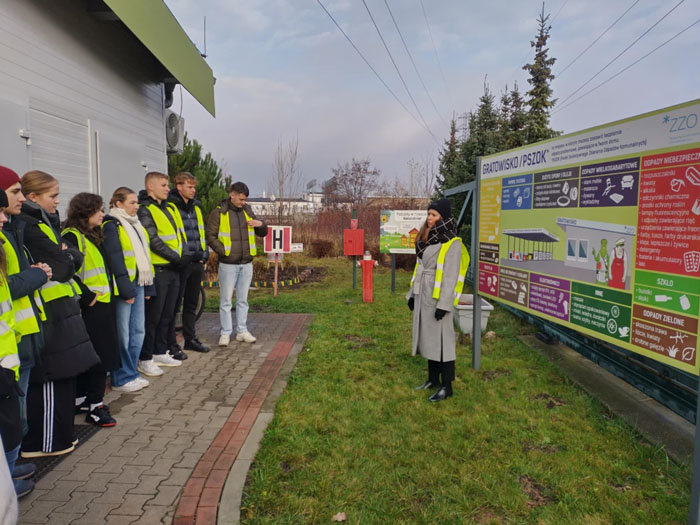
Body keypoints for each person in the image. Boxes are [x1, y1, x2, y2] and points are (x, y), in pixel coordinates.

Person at [17, 170, 99, 457]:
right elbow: (64, 265)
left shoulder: (42, 222)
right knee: (52, 377)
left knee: (64, 375)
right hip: (49, 314)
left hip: (60, 311)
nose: (57, 201)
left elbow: (71, 257)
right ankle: (46, 443)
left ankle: (55, 437)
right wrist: (67, 255)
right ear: (33, 197)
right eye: (53, 196)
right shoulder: (29, 226)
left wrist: (68, 254)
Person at [0, 167, 51, 494]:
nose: (20, 198)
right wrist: (38, 275)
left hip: (17, 340)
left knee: (13, 420)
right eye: (15, 191)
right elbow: (12, 284)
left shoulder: (12, 230)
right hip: (8, 348)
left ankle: (11, 467)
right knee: (9, 419)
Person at [62, 193, 120, 427]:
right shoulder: (71, 236)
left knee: (99, 355)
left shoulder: (93, 235)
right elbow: (66, 271)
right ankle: (95, 407)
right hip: (89, 307)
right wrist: (88, 298)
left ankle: (85, 400)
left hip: (103, 304)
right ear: (85, 212)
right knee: (99, 357)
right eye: (98, 210)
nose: (102, 214)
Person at [407, 198, 469, 403]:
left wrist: (444, 304)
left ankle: (447, 385)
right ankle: (432, 379)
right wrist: (411, 295)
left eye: (433, 215)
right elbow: (420, 268)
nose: (429, 218)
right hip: (423, 294)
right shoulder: (427, 237)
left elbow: (451, 276)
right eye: (428, 214)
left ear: (443, 216)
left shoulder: (452, 241)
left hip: (439, 299)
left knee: (444, 342)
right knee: (429, 338)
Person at [0, 186, 35, 500]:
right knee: (9, 431)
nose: (2, 219)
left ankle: (7, 480)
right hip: (3, 362)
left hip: (6, 357)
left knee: (10, 430)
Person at [137, 172, 190, 375]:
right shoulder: (145, 210)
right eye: (164, 185)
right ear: (150, 187)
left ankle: (160, 351)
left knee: (168, 315)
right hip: (159, 269)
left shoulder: (169, 207)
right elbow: (153, 239)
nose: (168, 189)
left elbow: (179, 235)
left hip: (174, 269)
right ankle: (146, 357)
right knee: (154, 316)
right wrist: (176, 258)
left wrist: (184, 256)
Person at [102, 187, 154, 392]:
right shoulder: (112, 225)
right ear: (118, 204)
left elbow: (144, 257)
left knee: (137, 331)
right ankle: (121, 377)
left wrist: (148, 287)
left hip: (138, 282)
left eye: (137, 202)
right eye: (132, 203)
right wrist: (126, 290)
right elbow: (115, 259)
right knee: (123, 334)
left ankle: (131, 371)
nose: (136, 206)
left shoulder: (135, 225)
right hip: (124, 286)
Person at [205, 181, 267, 346]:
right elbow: (210, 235)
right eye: (240, 199)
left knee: (243, 300)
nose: (243, 202)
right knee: (225, 300)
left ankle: (242, 331)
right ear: (232, 194)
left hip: (246, 263)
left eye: (244, 199)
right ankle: (225, 333)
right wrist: (224, 251)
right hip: (228, 264)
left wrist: (260, 224)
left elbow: (263, 232)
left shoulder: (247, 210)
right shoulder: (219, 212)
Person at [167, 172, 210, 353]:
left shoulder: (196, 208)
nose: (193, 190)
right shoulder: (171, 207)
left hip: (197, 262)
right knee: (174, 305)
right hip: (182, 263)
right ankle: (171, 343)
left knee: (192, 303)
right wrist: (185, 256)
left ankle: (190, 339)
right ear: (179, 186)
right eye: (189, 187)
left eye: (194, 187)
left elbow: (202, 233)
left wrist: (205, 252)